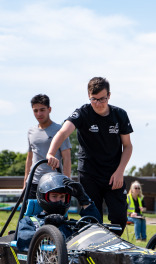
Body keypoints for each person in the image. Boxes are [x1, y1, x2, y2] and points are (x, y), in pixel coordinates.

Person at [46, 77, 133, 231]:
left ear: (109, 96)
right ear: (88, 96)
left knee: (119, 218)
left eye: (102, 99)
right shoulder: (82, 113)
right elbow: (63, 132)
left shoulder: (120, 114)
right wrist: (51, 153)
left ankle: (112, 248)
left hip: (113, 174)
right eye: (94, 99)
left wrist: (120, 172)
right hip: (89, 174)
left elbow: (127, 146)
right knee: (93, 219)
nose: (98, 104)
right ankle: (94, 251)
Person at [16, 172, 101, 252]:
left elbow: (97, 230)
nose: (59, 200)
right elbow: (23, 241)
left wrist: (84, 200)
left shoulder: (70, 224)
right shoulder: (29, 222)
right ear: (44, 197)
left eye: (62, 196)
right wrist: (48, 227)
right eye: (54, 196)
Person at [24, 94, 71, 199]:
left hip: (53, 183)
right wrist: (25, 183)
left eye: (42, 110)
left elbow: (67, 158)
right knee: (30, 214)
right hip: (33, 183)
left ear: (49, 109)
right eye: (35, 111)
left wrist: (66, 183)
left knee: (54, 215)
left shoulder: (60, 130)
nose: (39, 114)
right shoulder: (31, 131)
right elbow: (29, 158)